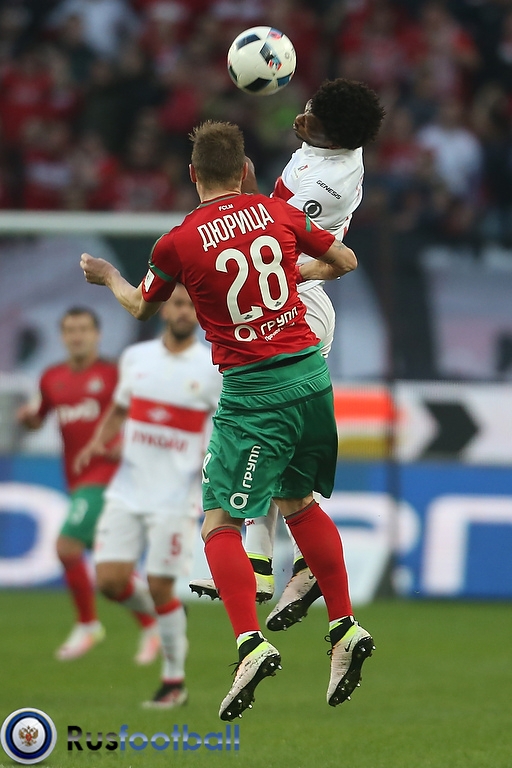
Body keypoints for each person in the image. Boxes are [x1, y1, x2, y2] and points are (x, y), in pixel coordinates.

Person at [79, 119, 375, 721]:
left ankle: (249, 644)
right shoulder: (275, 211)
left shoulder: (177, 243)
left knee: (218, 519)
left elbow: (140, 307)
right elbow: (345, 258)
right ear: (244, 170)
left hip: (255, 393)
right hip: (311, 377)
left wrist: (107, 275)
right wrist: (295, 273)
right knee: (298, 501)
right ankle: (344, 627)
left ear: (192, 174)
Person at [189, 78, 386, 631]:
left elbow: (270, 243)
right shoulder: (328, 148)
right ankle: (280, 563)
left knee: (266, 434)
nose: (300, 119)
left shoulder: (326, 183)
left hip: (299, 305)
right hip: (292, 302)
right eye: (306, 108)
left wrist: (234, 205)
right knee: (279, 447)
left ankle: (269, 563)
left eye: (311, 118)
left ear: (333, 136)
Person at [74, 286, 221, 708]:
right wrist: (98, 441)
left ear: (199, 314)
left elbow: (225, 425)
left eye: (191, 306)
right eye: (176, 304)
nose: (183, 312)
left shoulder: (212, 367)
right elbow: (121, 408)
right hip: (127, 489)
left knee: (160, 584)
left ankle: (173, 683)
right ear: (162, 310)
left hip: (176, 497)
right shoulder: (136, 358)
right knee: (110, 582)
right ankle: (166, 612)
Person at [16, 307, 159, 662]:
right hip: (76, 478)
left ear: (97, 334)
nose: (77, 336)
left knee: (66, 547)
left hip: (111, 477)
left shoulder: (113, 374)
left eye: (83, 329)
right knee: (112, 574)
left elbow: (147, 414)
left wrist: (127, 443)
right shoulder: (52, 377)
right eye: (70, 330)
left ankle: (88, 624)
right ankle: (153, 624)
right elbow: (40, 417)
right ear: (62, 336)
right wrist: (29, 419)